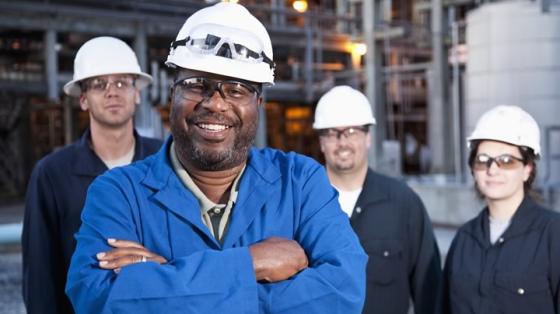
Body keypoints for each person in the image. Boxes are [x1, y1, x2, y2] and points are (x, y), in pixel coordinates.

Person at [65, 3, 367, 313]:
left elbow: (343, 292)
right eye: (197, 85)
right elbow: (98, 298)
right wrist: (250, 264)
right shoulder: (119, 193)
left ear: (258, 103)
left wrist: (165, 276)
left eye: (236, 89)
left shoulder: (299, 182)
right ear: (172, 95)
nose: (215, 104)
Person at [21, 36, 162, 314]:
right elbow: (40, 274)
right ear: (83, 99)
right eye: (99, 84)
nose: (112, 92)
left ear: (137, 93)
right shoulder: (52, 174)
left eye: (122, 82)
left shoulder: (165, 162)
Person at [313, 85, 442, 314]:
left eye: (352, 132)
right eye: (332, 133)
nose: (342, 142)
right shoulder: (303, 204)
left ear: (368, 137)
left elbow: (429, 291)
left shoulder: (402, 203)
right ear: (322, 141)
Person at [441, 105, 560, 314]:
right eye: (483, 160)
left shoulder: (553, 234)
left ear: (527, 169)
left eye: (507, 161)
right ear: (472, 169)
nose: (492, 169)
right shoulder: (464, 239)